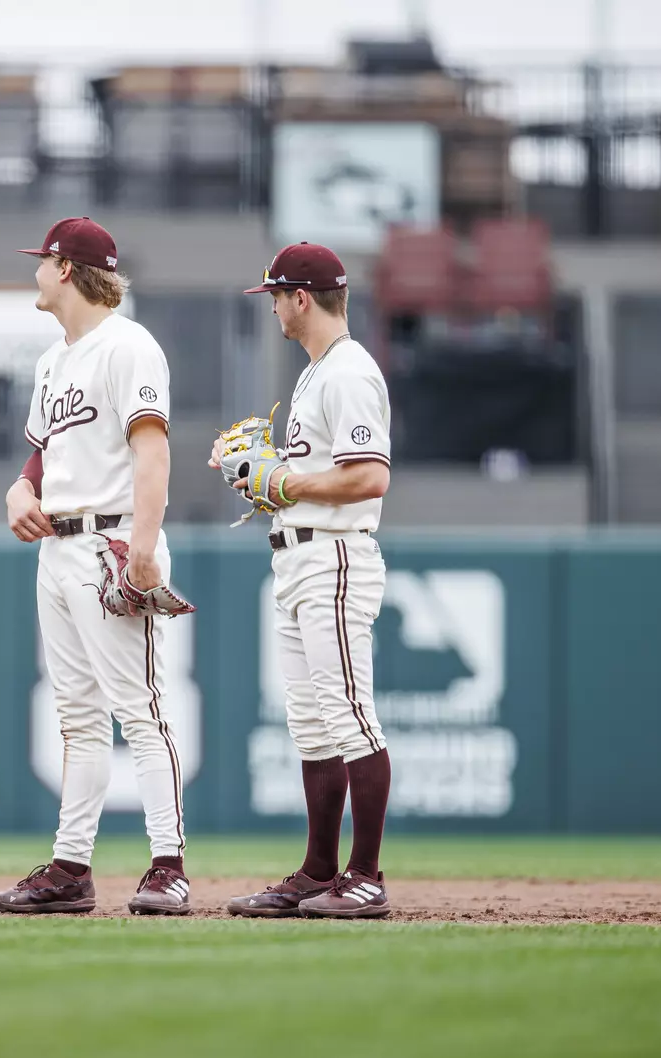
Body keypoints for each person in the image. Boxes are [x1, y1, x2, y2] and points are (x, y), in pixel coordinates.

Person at [0, 217, 190, 916]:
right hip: (58, 545)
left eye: (41, 261)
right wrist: (19, 488)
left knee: (140, 708)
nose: (36, 272)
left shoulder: (128, 345)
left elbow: (152, 452)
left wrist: (142, 548)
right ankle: (71, 867)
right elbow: (42, 454)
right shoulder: (54, 358)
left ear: (65, 269)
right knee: (76, 717)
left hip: (111, 540)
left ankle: (168, 864)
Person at [220, 242, 395, 919]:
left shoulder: (347, 371)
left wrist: (284, 479)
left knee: (348, 715)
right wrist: (258, 472)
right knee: (312, 726)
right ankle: (318, 870)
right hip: (295, 557)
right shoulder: (315, 373)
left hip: (334, 556)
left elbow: (369, 476)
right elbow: (312, 476)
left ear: (300, 298)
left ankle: (366, 875)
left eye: (274, 297)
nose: (270, 309)